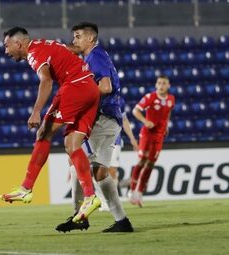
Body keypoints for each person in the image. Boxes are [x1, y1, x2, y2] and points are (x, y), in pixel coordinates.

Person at [0, 27, 102, 224]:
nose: (6, 51)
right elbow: (72, 50)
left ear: (18, 44)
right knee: (72, 144)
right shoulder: (45, 43)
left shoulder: (34, 54)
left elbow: (46, 81)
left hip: (75, 86)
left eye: (7, 46)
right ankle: (90, 197)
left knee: (43, 133)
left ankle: (26, 188)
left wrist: (36, 110)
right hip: (91, 88)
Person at [56, 22, 133, 233]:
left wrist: (79, 95)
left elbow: (105, 86)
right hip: (110, 119)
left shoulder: (95, 56)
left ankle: (78, 215)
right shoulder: (95, 56)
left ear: (91, 38)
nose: (75, 40)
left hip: (102, 119)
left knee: (75, 158)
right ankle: (122, 221)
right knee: (100, 173)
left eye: (78, 36)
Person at [129, 75, 175, 207]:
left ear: (168, 86)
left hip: (159, 137)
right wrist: (145, 121)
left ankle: (139, 192)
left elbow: (168, 113)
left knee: (150, 164)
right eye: (159, 83)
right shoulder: (150, 97)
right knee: (143, 160)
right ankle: (132, 190)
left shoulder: (171, 99)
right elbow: (135, 110)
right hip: (147, 135)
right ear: (156, 85)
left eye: (164, 83)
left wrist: (166, 126)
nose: (161, 86)